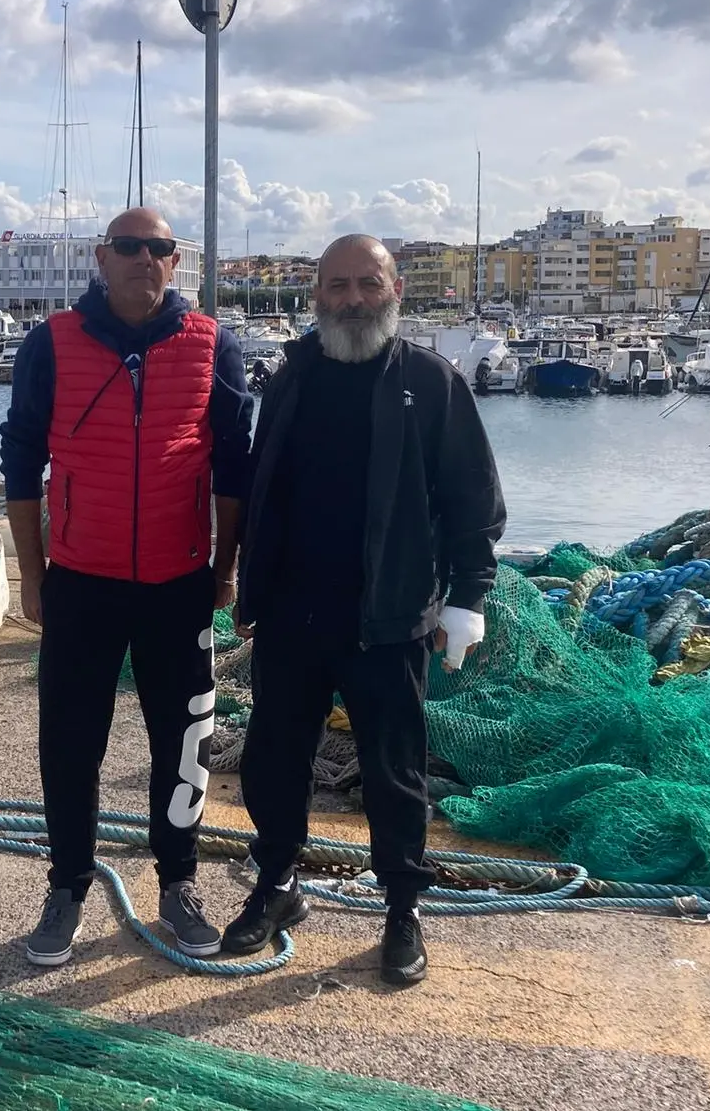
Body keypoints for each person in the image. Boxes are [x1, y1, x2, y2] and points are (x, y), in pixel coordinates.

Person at [223, 233, 504, 986]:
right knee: (273, 760)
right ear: (318, 295)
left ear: (395, 290)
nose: (352, 299)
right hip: (292, 613)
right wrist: (249, 590)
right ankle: (278, 883)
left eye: (367, 284)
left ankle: (403, 906)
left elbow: (473, 500)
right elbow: (262, 488)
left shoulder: (432, 382)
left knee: (393, 770)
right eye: (338, 285)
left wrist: (468, 597)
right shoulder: (291, 378)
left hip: (390, 615)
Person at [0, 207, 254, 966]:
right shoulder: (52, 342)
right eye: (129, 246)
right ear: (101, 257)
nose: (144, 258)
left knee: (184, 741)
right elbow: (20, 461)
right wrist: (33, 572)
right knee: (70, 744)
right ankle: (67, 884)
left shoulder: (213, 346)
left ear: (175, 263)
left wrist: (227, 568)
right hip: (81, 581)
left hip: (179, 585)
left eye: (160, 248)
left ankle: (179, 883)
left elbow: (234, 469)